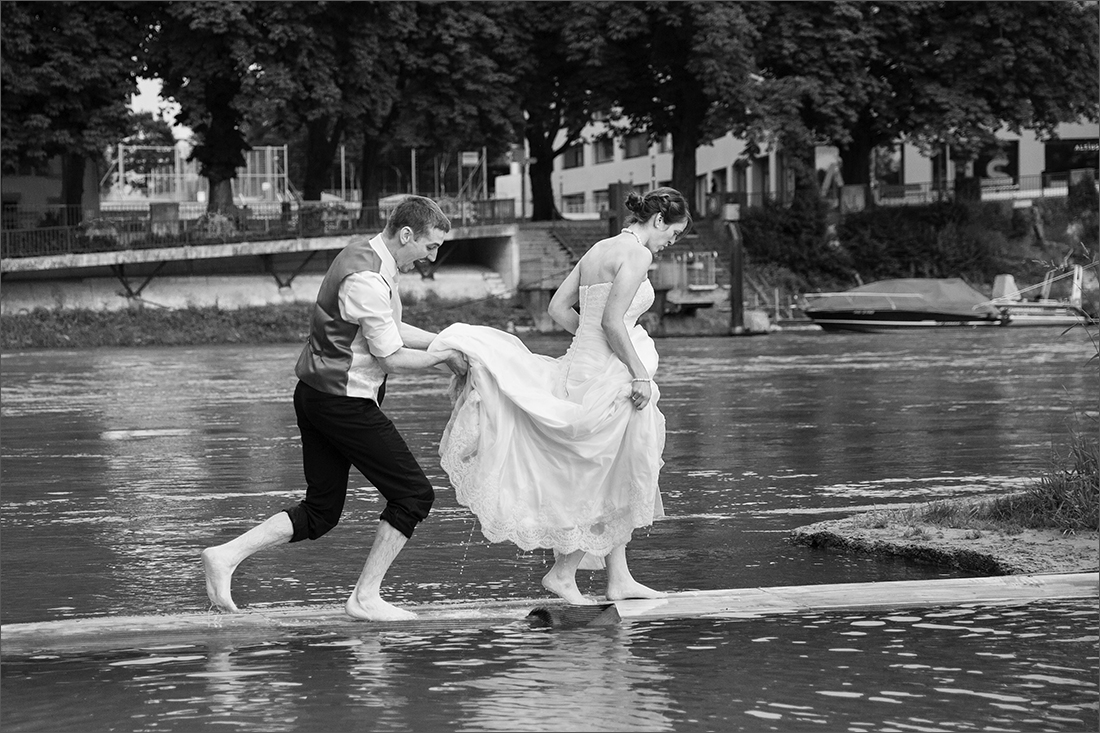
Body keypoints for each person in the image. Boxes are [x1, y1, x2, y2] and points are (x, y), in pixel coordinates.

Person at [202, 196, 468, 621]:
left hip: (318, 396)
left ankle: (225, 556)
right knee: (414, 494)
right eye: (430, 246)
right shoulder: (366, 276)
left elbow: (392, 329)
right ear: (406, 236)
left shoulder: (368, 257)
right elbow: (391, 356)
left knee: (321, 512)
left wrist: (452, 342)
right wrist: (446, 357)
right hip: (341, 401)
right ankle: (365, 598)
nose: (432, 256)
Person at [430, 187, 691, 604]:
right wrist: (639, 374)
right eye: (673, 235)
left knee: (614, 464)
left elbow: (557, 309)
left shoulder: (598, 249)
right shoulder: (638, 255)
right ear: (659, 221)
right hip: (608, 373)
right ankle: (563, 573)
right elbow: (611, 321)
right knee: (603, 471)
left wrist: (589, 344)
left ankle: (619, 577)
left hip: (579, 366)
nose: (669, 243)